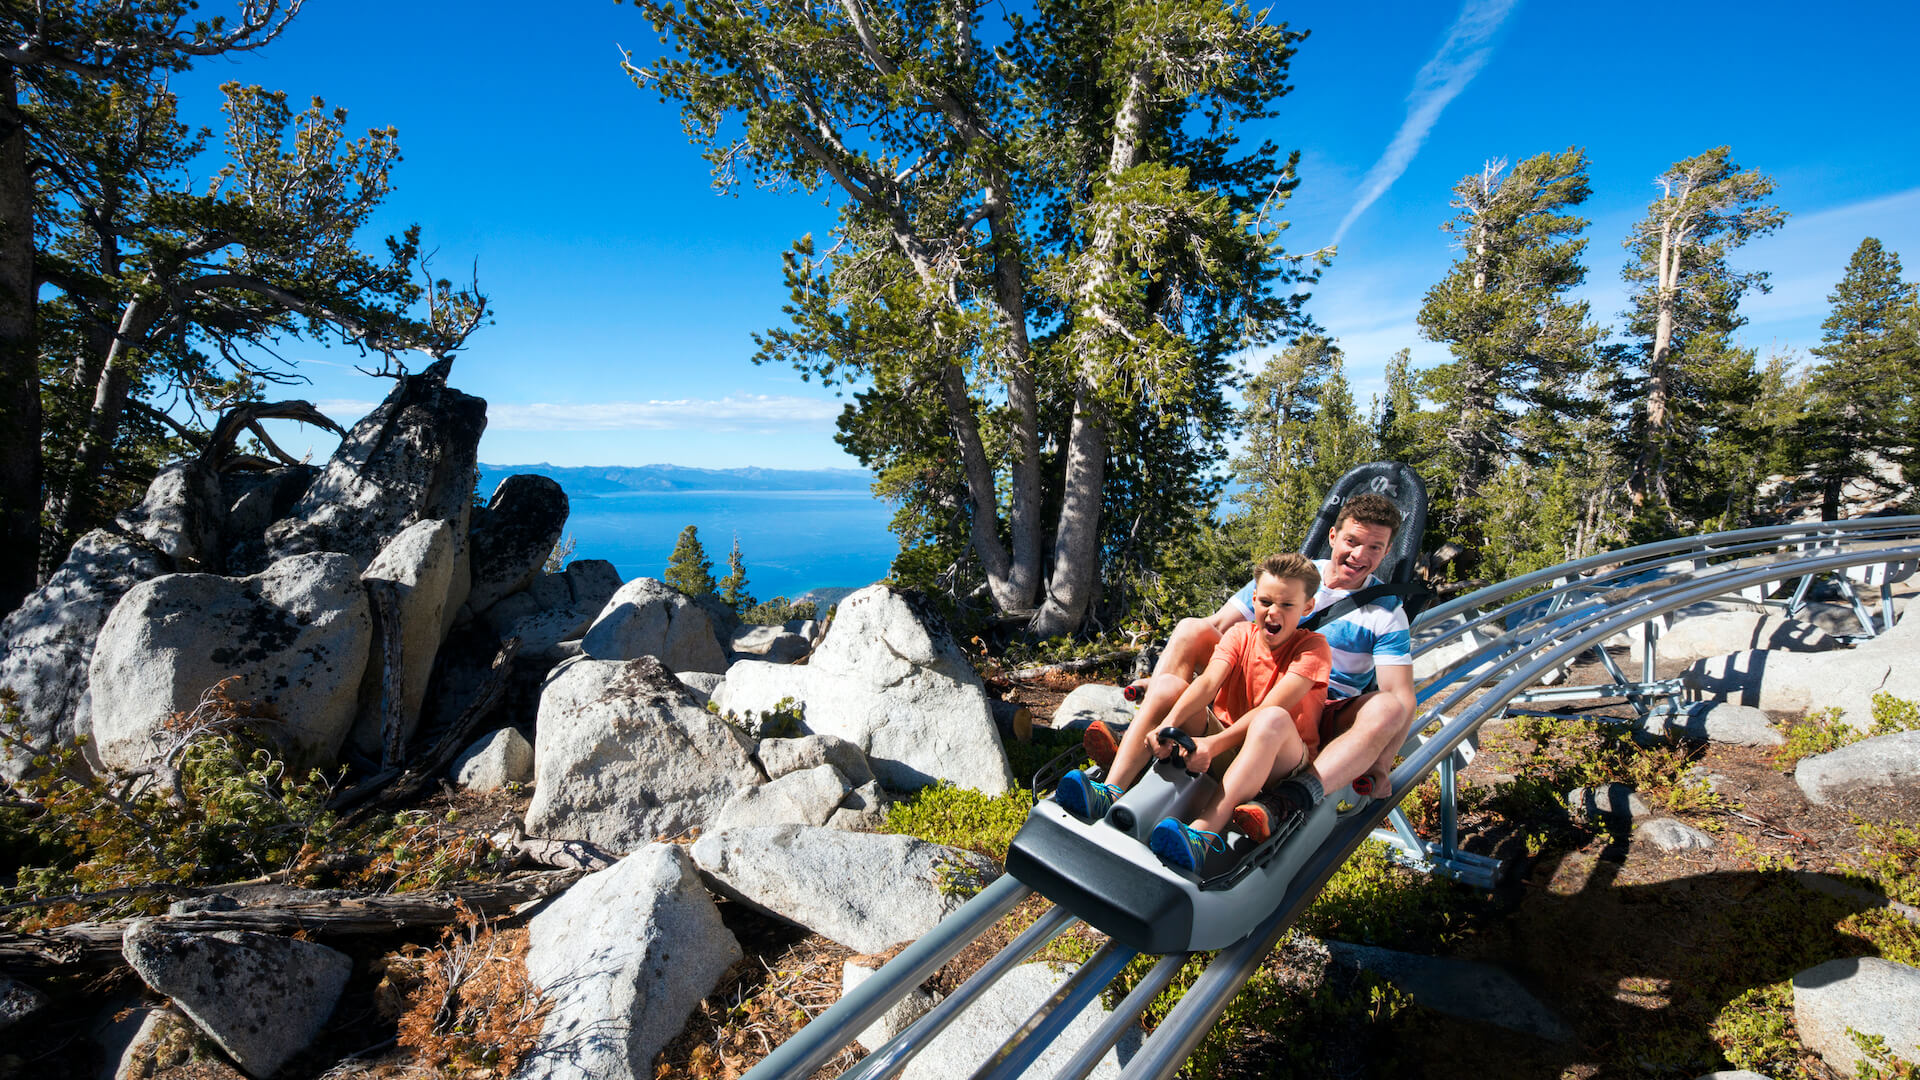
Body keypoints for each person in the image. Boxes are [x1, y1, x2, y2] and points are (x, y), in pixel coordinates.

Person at [1097, 493, 1416, 846]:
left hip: (1319, 711)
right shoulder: (1289, 576)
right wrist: (1168, 684)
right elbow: (1219, 626)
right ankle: (1150, 738)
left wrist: (1381, 764)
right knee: (1191, 629)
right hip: (1254, 680)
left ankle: (1296, 794)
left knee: (1390, 706)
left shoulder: (1387, 613)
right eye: (1352, 541)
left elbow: (1400, 696)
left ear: (1387, 552)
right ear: (1333, 537)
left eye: (1374, 547)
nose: (1359, 555)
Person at [1053, 553, 1333, 871]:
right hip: (1226, 745)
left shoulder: (1313, 649)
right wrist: (1168, 725)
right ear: (1254, 598)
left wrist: (1212, 745)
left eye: (1287, 605)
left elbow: (1270, 708)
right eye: (1266, 601)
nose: (1273, 612)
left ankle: (1202, 836)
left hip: (1277, 764)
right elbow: (1208, 683)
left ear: (1307, 607)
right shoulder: (1240, 635)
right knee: (1169, 685)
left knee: (1271, 719)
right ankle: (1111, 790)